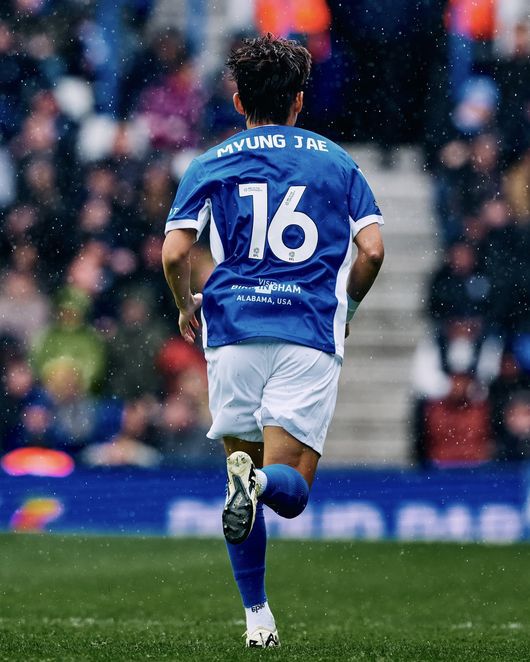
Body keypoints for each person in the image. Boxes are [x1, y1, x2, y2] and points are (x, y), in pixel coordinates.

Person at [162, 34, 384, 648]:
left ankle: (257, 619)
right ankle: (257, 484)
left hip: (233, 331)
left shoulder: (211, 161)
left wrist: (185, 304)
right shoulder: (336, 161)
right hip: (306, 331)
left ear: (238, 100)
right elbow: (372, 250)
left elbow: (176, 251)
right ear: (299, 100)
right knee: (287, 491)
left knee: (239, 469)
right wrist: (348, 306)